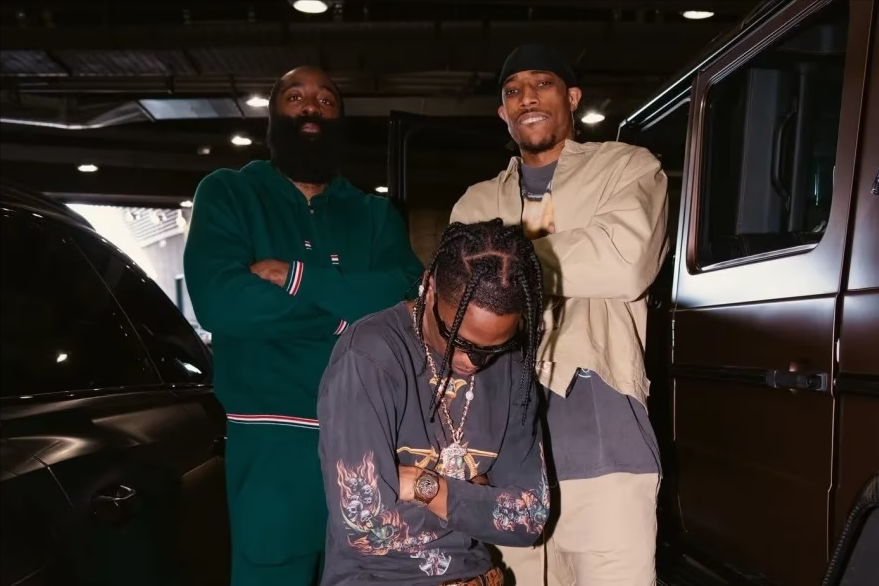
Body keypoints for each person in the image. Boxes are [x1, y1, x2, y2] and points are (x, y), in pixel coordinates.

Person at [183, 65, 424, 586]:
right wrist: (348, 315)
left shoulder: (375, 213)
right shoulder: (229, 193)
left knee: (374, 577)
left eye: (326, 100)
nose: (311, 106)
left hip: (372, 440)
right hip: (271, 438)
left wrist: (294, 277)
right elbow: (222, 303)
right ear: (273, 116)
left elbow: (410, 299)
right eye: (295, 97)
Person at [450, 44, 669, 586]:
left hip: (604, 441)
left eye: (542, 83)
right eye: (513, 90)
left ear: (572, 97)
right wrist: (574, 249)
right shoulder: (475, 201)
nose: (527, 97)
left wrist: (502, 263)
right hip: (500, 454)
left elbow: (626, 262)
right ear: (502, 112)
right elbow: (454, 296)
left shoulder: (627, 167)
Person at [317, 219, 550, 586]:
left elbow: (530, 520)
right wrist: (477, 497)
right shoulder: (369, 357)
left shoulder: (512, 371)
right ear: (429, 287)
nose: (474, 361)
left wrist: (425, 486)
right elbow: (365, 528)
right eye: (458, 339)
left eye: (494, 347)